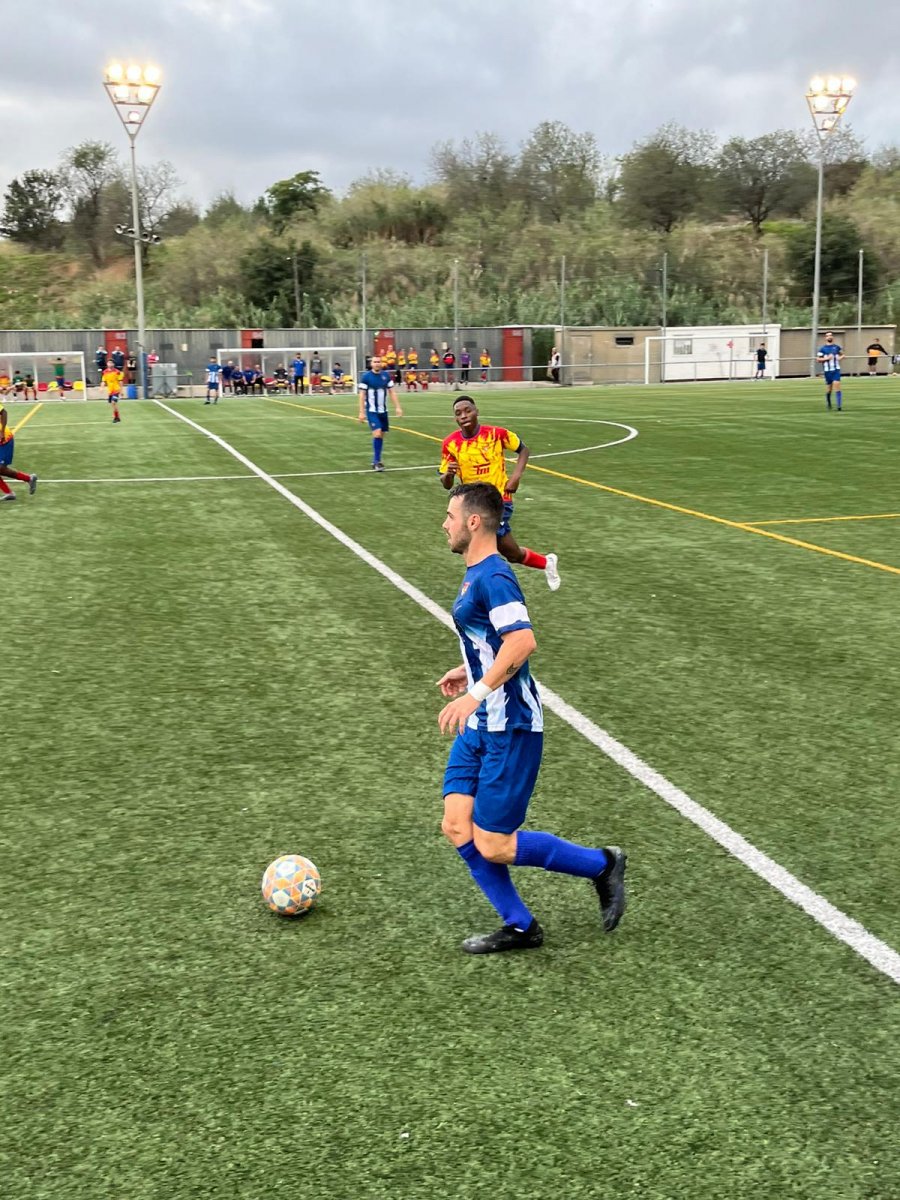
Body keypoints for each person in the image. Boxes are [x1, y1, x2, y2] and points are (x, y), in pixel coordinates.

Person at [436, 482, 626, 954]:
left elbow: (522, 642)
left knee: (495, 844)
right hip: (482, 725)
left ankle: (602, 864)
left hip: (510, 725)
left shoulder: (494, 576)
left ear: (473, 521)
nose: (445, 523)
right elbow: (497, 640)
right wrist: (471, 667)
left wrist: (476, 694)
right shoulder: (475, 573)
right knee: (458, 825)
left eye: (450, 515)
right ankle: (521, 926)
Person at [439, 396, 560, 589]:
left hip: (498, 501)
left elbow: (523, 450)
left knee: (479, 544)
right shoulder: (450, 444)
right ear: (455, 419)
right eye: (458, 413)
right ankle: (546, 563)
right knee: (511, 553)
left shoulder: (496, 434)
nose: (464, 416)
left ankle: (488, 586)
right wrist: (448, 474)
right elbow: (445, 483)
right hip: (472, 504)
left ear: (476, 411)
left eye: (467, 410)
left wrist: (515, 477)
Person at [358, 352, 404, 472]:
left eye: (379, 362)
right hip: (372, 411)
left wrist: (398, 407)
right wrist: (361, 412)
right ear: (371, 364)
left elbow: (392, 392)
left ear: (381, 363)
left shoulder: (386, 376)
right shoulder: (366, 377)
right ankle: (376, 462)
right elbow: (362, 395)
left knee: (381, 435)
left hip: (384, 411)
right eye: (375, 362)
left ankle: (377, 459)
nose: (377, 364)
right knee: (377, 433)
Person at [0, 398, 38, 501]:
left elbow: (4, 412)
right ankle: (9, 493)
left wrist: (2, 431)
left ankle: (29, 478)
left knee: (1, 468)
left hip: (4, 440)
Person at [817, 332, 844, 411]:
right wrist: (827, 358)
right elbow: (818, 359)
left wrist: (840, 357)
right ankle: (829, 403)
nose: (829, 337)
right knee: (829, 389)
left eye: (831, 335)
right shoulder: (822, 349)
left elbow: (843, 354)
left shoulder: (837, 347)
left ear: (832, 337)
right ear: (825, 338)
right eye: (828, 336)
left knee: (837, 386)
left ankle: (839, 406)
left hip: (836, 370)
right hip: (827, 371)